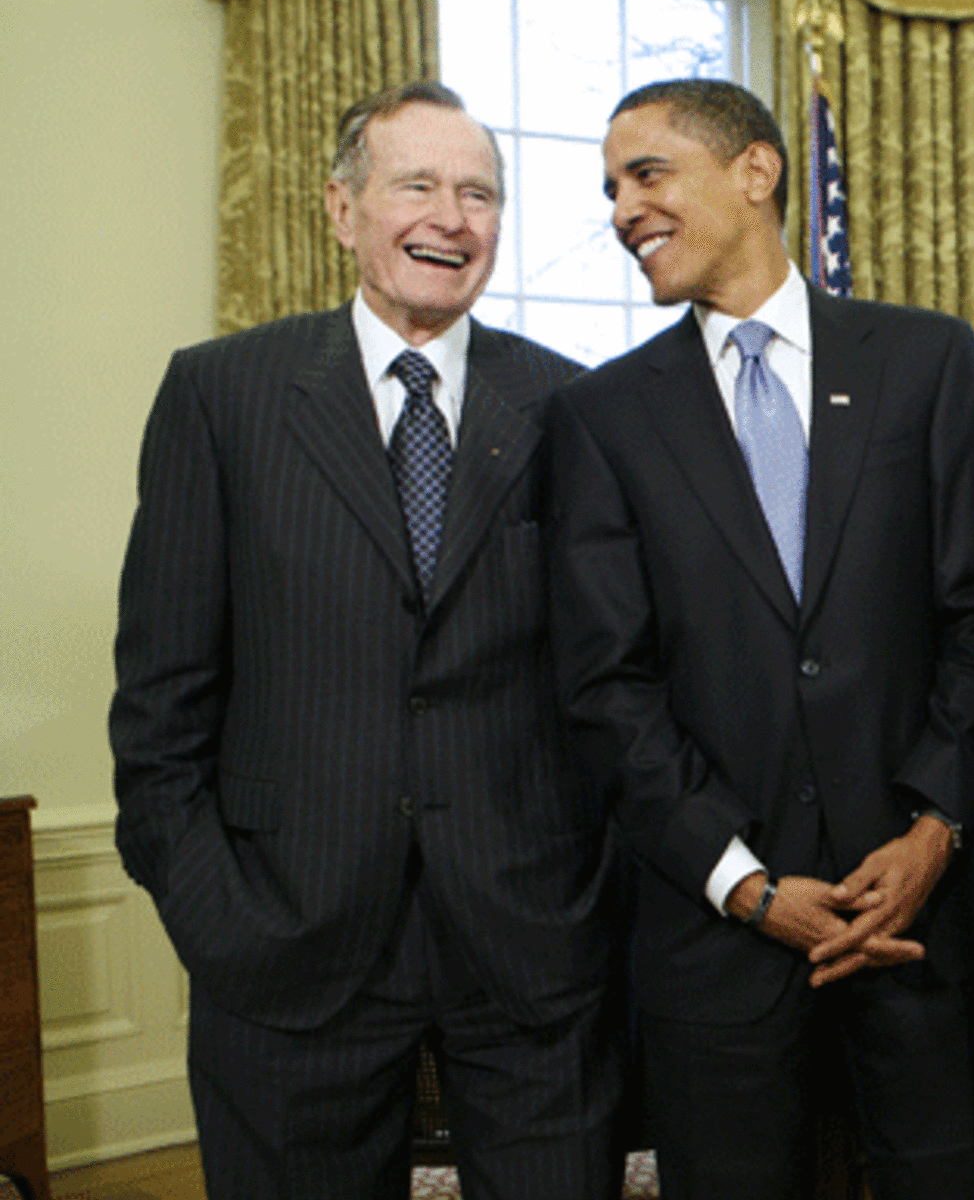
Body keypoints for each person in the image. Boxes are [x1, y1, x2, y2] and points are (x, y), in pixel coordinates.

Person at [108, 80, 616, 1200]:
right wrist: (220, 923)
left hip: (530, 949)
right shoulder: (222, 395)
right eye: (418, 185)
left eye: (479, 192)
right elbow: (160, 707)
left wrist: (589, 902)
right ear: (343, 211)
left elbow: (614, 687)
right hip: (285, 949)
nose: (452, 216)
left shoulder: (575, 408)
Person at [546, 78, 974, 1200]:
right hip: (718, 944)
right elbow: (608, 687)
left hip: (920, 924)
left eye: (646, 173)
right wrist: (748, 886)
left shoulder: (924, 359)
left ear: (756, 171)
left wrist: (935, 830)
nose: (621, 209)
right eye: (609, 188)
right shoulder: (602, 418)